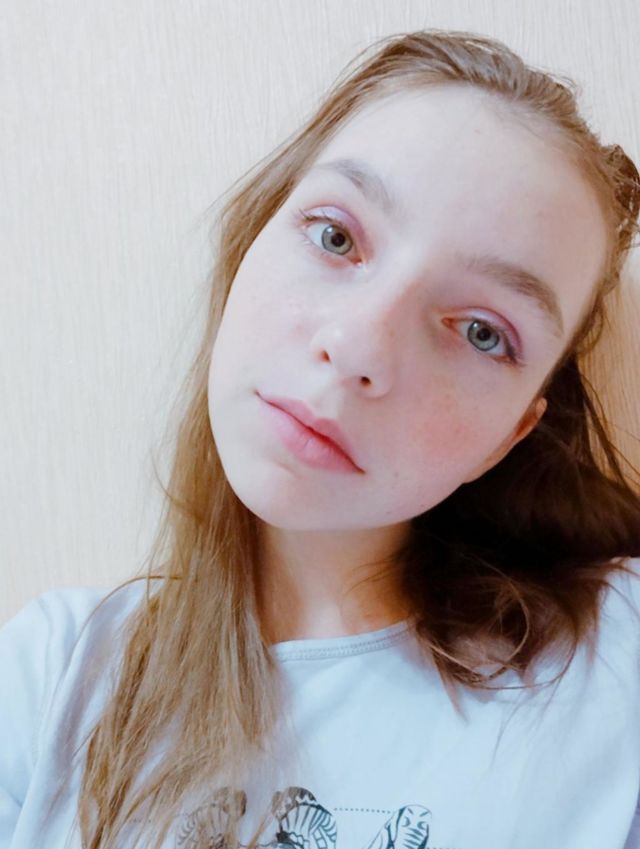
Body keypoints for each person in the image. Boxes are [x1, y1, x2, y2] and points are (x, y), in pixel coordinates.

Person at [2, 28, 640, 849]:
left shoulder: (614, 668)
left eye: (483, 332)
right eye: (336, 236)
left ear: (510, 436)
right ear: (248, 243)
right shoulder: (58, 676)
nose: (358, 346)